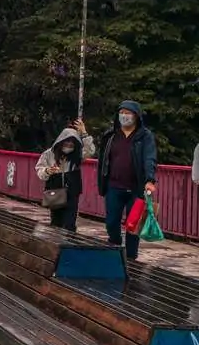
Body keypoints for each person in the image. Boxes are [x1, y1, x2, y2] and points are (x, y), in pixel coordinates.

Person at [97, 101, 158, 261]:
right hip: (114, 186)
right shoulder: (110, 136)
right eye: (122, 112)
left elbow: (149, 158)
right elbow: (103, 160)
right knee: (111, 221)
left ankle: (131, 258)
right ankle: (115, 247)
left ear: (136, 116)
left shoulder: (145, 136)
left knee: (133, 226)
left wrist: (150, 179)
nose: (125, 116)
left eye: (128, 113)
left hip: (136, 188)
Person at [35, 120, 94, 231]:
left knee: (70, 224)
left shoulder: (77, 155)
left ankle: (69, 243)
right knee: (56, 222)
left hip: (72, 191)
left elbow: (90, 151)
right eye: (66, 144)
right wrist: (47, 171)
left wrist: (85, 134)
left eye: (72, 144)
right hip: (55, 190)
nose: (68, 146)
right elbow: (39, 169)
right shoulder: (49, 154)